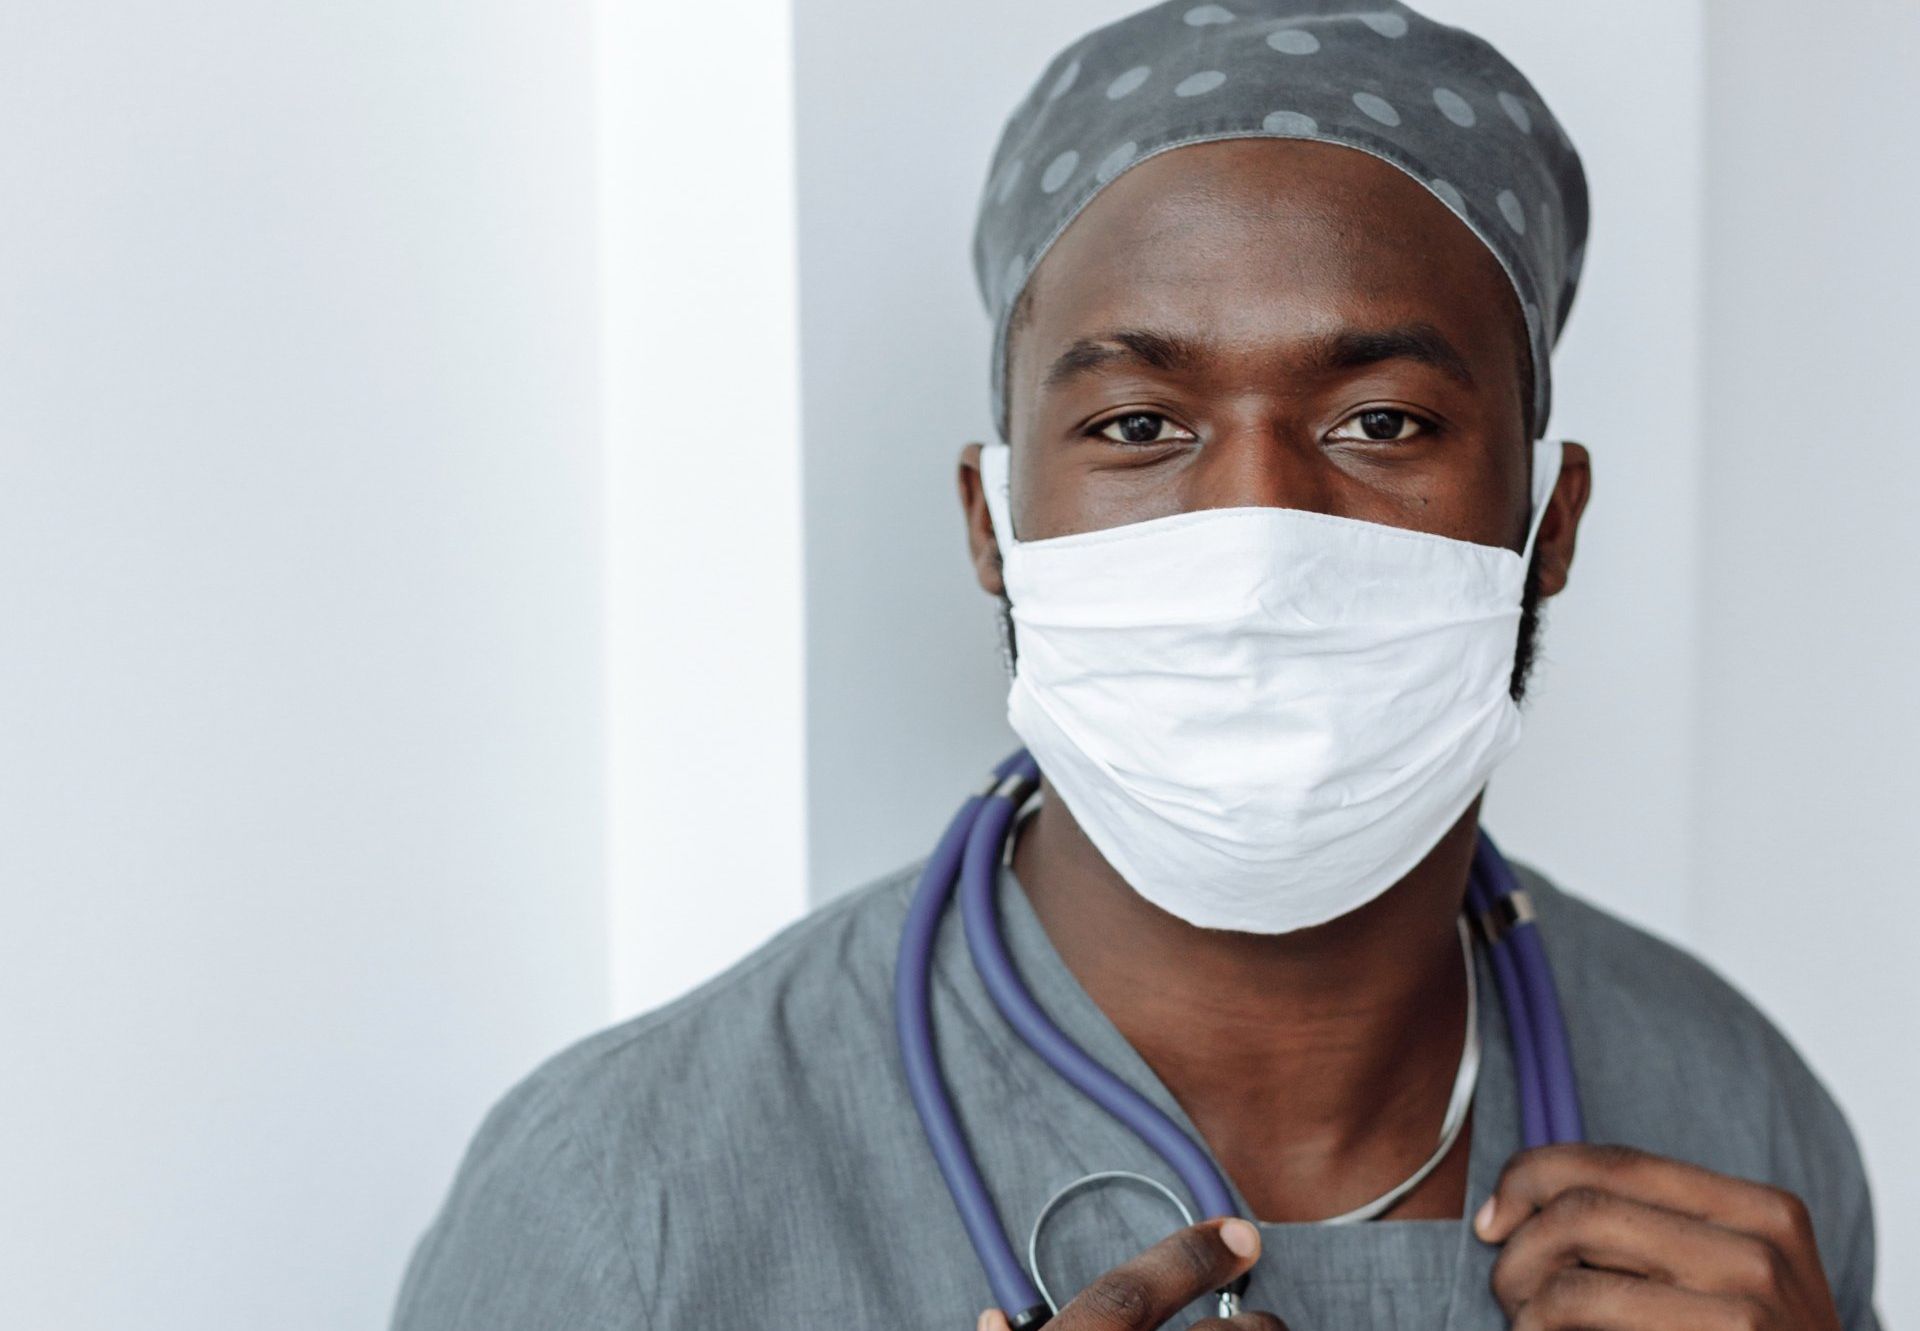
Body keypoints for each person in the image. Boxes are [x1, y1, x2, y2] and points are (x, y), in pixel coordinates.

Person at [389, 3, 1881, 1328]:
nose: (1258, 540)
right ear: (996, 524)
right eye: (1136, 425)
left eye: (1382, 423)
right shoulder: (631, 1193)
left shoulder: (1728, 1109)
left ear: (1546, 523)